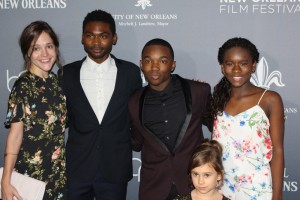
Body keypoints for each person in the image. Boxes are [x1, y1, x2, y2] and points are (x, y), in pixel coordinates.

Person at [58, 9, 142, 199]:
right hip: (77, 168)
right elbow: (63, 119)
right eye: (90, 36)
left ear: (114, 38)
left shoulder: (130, 73)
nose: (96, 42)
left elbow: (137, 115)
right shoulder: (66, 74)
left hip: (115, 169)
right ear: (82, 38)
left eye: (103, 36)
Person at [128, 38, 211, 200]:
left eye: (163, 61)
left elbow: (219, 127)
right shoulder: (133, 101)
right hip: (153, 187)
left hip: (194, 184)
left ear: (172, 65)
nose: (154, 67)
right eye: (148, 60)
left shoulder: (198, 91)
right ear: (141, 64)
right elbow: (136, 143)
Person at [210, 37, 284, 200]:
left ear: (253, 66)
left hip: (257, 189)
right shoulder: (218, 100)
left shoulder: (269, 99)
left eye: (243, 63)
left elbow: (278, 150)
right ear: (223, 68)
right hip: (222, 190)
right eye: (230, 64)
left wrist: (277, 195)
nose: (236, 69)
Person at [1, 21, 67, 200]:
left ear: (56, 49)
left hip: (57, 177)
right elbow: (15, 136)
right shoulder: (23, 86)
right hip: (30, 177)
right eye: (36, 48)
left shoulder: (56, 83)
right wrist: (5, 181)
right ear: (27, 53)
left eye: (49, 46)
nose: (45, 54)